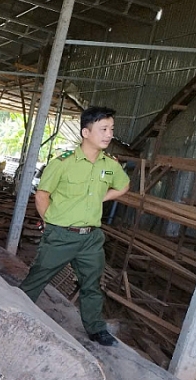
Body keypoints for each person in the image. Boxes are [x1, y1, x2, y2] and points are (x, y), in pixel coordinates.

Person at [20, 106, 130, 346]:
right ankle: (17, 316)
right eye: (103, 129)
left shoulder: (110, 165)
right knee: (37, 278)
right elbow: (42, 195)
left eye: (111, 129)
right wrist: (53, 224)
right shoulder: (62, 163)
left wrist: (99, 197)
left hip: (91, 238)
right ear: (85, 132)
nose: (109, 134)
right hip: (60, 234)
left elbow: (123, 186)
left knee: (92, 285)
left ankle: (95, 329)